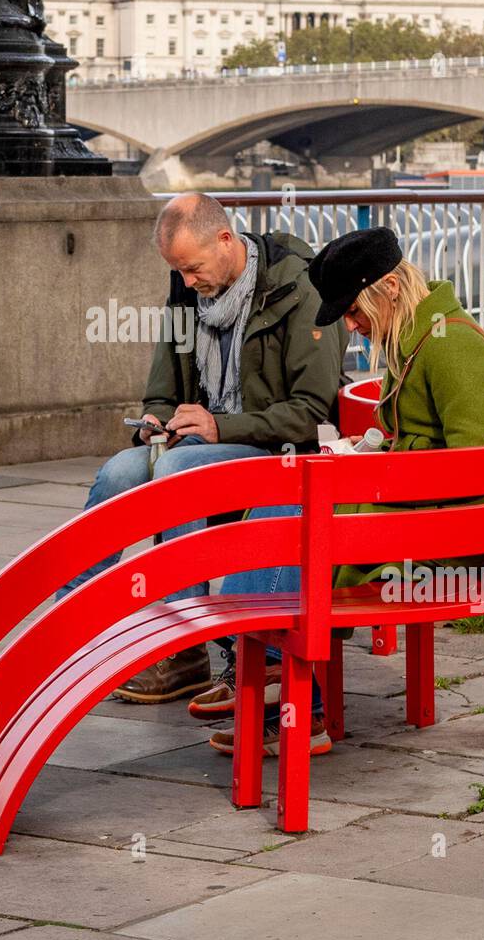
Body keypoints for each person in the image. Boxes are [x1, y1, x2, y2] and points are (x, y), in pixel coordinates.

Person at [201, 225, 484, 757]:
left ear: (389, 288)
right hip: (432, 518)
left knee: (299, 527)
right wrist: (377, 458)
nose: (352, 325)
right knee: (293, 508)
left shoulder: (450, 349)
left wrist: (379, 480)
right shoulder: (421, 340)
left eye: (354, 310)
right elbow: (438, 452)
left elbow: (475, 481)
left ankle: (286, 691)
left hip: (458, 542)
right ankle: (282, 685)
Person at [58, 192, 347, 703]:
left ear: (225, 240)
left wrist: (221, 427)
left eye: (192, 269)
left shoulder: (300, 285)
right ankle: (71, 623)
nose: (188, 282)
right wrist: (156, 418)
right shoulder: (187, 288)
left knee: (180, 468)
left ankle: (181, 641)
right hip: (204, 440)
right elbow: (165, 387)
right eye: (179, 272)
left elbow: (311, 410)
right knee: (119, 473)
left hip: (277, 447)